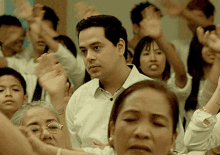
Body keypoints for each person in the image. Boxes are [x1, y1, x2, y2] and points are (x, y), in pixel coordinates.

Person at [66, 14, 152, 149]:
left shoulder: (154, 92)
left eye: (96, 48)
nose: (89, 57)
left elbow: (176, 150)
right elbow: (70, 151)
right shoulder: (79, 97)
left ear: (120, 47)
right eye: (83, 51)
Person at [184, 26, 220, 155]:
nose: (212, 50)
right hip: (194, 146)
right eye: (207, 46)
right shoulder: (188, 81)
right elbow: (209, 97)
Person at [158, 0, 215, 69]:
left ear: (210, 18)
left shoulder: (216, 45)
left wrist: (183, 13)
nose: (192, 22)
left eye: (196, 17)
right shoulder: (180, 46)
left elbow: (210, 25)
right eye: (189, 19)